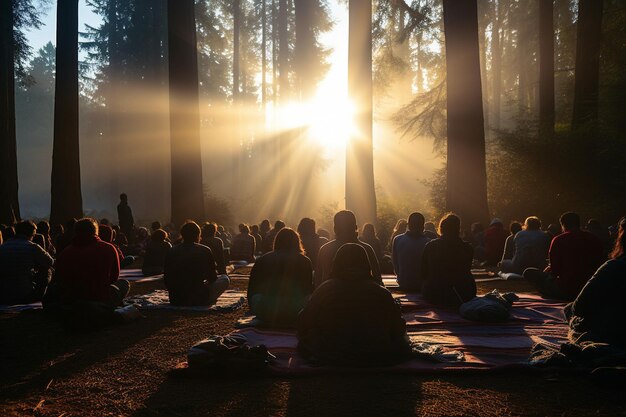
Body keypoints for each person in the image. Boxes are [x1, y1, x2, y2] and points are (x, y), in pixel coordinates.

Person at [298, 243, 411, 366]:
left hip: (330, 354)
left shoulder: (324, 290)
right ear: (366, 264)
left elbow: (304, 323)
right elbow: (398, 328)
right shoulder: (381, 293)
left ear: (336, 264)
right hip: (376, 354)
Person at [564, 216, 626, 347]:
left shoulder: (613, 266)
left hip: (611, 332)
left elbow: (579, 307)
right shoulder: (594, 240)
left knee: (569, 309)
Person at [49, 218, 129, 308]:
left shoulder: (65, 253)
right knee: (123, 283)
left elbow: (60, 279)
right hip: (100, 298)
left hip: (73, 300)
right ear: (95, 231)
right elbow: (114, 278)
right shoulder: (109, 248)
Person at [524, 212, 604, 301]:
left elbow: (555, 271)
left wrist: (549, 270)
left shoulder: (558, 240)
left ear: (563, 225)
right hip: (591, 289)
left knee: (529, 273)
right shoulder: (594, 238)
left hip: (567, 290)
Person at [248, 228, 313, 327]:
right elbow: (307, 290)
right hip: (294, 312)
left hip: (266, 311)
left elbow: (252, 289)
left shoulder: (263, 259)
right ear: (297, 242)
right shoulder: (305, 261)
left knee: (256, 297)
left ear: (277, 241)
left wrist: (257, 308)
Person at [164, 221, 229, 306]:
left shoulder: (172, 251)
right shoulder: (204, 250)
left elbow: (167, 278)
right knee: (224, 279)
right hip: (198, 298)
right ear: (198, 234)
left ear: (182, 234)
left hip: (176, 299)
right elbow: (212, 278)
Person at [315, 210, 382, 287]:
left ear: (335, 229)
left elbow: (318, 282)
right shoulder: (367, 249)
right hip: (363, 296)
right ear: (356, 227)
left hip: (332, 296)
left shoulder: (325, 250)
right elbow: (378, 279)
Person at [421, 213, 476, 307]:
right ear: (458, 229)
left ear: (442, 227)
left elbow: (423, 272)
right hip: (463, 293)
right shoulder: (468, 248)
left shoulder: (430, 246)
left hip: (435, 293)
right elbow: (466, 271)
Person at [0, 221, 54, 304]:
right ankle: (40, 299)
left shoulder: (3, 247)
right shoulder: (32, 247)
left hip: (4, 292)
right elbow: (50, 261)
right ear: (32, 233)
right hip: (24, 293)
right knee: (48, 271)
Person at [392, 212, 432, 292]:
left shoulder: (398, 240)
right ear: (423, 226)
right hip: (422, 286)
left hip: (404, 283)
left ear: (408, 225)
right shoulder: (429, 242)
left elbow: (395, 264)